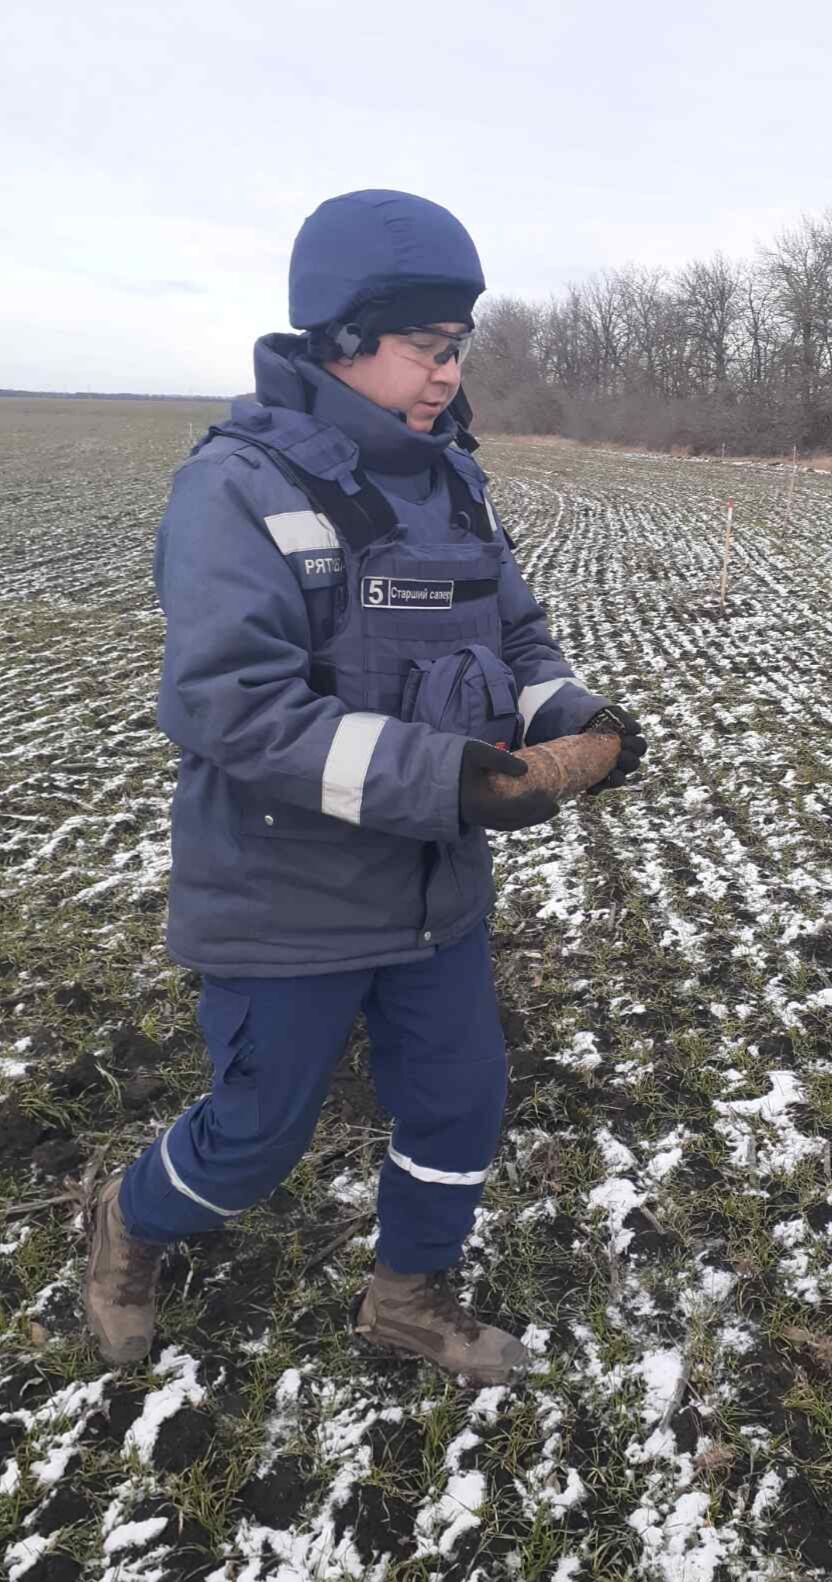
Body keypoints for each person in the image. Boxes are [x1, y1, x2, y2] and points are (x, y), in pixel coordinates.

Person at [83, 190, 646, 1386]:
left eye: (458, 347)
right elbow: (232, 704)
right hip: (282, 895)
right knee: (253, 1138)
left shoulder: (453, 483)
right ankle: (130, 1219)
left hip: (433, 889)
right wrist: (441, 775)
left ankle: (408, 1297)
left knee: (459, 1103)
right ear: (340, 339)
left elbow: (521, 638)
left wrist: (573, 719)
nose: (448, 372)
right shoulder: (237, 489)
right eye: (423, 347)